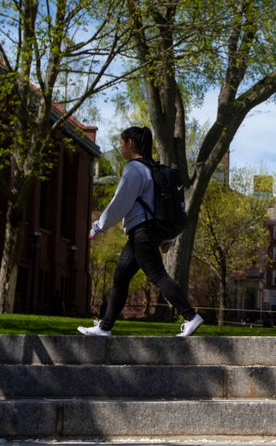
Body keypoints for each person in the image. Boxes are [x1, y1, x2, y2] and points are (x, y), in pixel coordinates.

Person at [78, 126, 203, 338]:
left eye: (121, 143)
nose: (120, 148)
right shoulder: (152, 169)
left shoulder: (135, 169)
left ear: (130, 143)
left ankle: (190, 316)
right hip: (146, 232)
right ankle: (105, 327)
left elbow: (120, 203)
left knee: (157, 275)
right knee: (121, 277)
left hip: (142, 232)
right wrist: (166, 238)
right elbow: (161, 207)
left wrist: (99, 226)